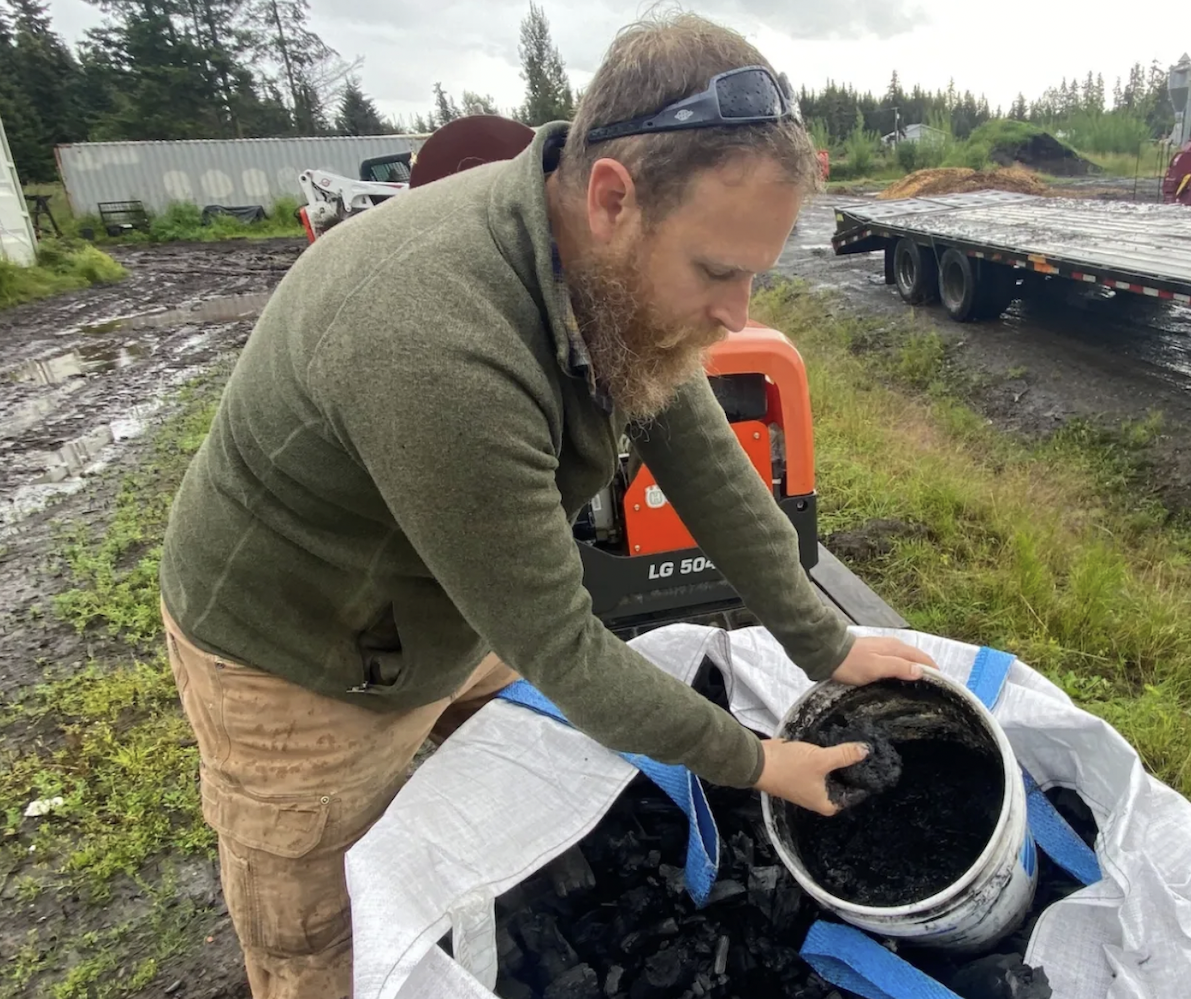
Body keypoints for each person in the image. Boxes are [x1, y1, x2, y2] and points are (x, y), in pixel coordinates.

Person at [157, 11, 937, 999]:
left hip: (438, 597)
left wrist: (822, 640)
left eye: (756, 273)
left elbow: (695, 450)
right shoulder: (438, 346)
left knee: (505, 807)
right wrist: (760, 762)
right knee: (331, 945)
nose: (739, 314)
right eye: (715, 270)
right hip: (298, 652)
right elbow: (565, 650)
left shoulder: (588, 253)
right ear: (613, 194)